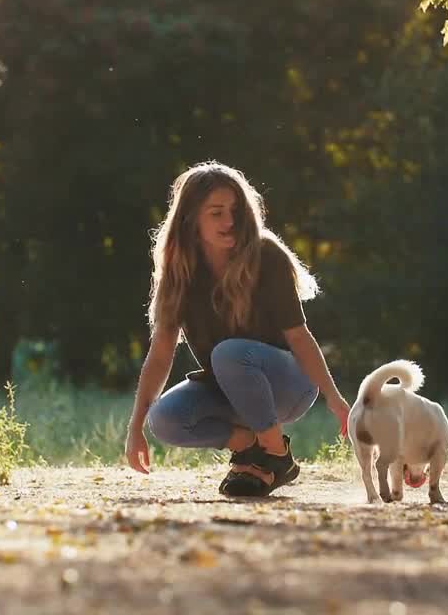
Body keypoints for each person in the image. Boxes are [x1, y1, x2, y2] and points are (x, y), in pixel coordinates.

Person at [124, 161, 351, 496]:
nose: (229, 221)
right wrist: (135, 428)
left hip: (289, 386)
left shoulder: (265, 255)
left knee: (228, 352)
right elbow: (160, 355)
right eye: (216, 212)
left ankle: (275, 454)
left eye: (234, 210)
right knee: (164, 419)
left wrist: (334, 398)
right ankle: (249, 449)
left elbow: (299, 336)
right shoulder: (178, 271)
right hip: (231, 389)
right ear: (191, 218)